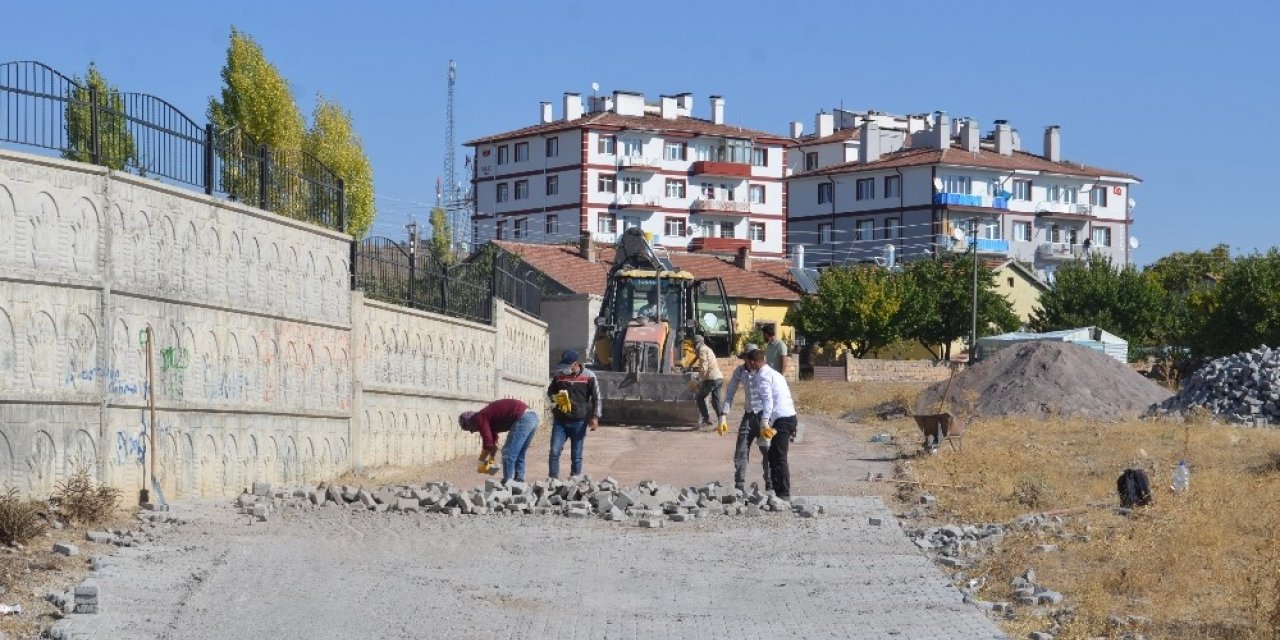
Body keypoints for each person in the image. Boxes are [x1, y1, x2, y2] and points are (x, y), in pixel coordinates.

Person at [745, 348, 799, 500]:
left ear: (753, 362)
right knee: (774, 456)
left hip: (782, 419)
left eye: (748, 362)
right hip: (787, 417)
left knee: (779, 457)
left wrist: (764, 420)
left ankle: (783, 495)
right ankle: (776, 492)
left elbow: (768, 401)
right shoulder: (775, 373)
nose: (748, 366)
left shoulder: (763, 376)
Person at [721, 343, 771, 492]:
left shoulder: (764, 372)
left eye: (750, 358)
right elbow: (730, 392)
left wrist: (769, 420)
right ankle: (739, 485)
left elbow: (772, 396)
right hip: (749, 415)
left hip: (764, 416)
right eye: (746, 359)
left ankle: (770, 484)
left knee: (767, 450)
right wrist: (723, 415)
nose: (748, 362)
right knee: (741, 450)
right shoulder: (740, 371)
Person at [546, 350, 600, 479]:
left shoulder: (589, 376)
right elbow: (550, 392)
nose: (565, 368)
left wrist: (595, 417)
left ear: (576, 364)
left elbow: (597, 398)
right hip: (560, 421)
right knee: (554, 452)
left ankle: (575, 479)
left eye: (567, 365)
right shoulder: (559, 376)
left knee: (576, 454)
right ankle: (553, 480)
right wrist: (558, 399)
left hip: (579, 422)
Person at [458, 398, 538, 485]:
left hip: (522, 417)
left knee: (508, 453)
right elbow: (493, 443)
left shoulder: (479, 418)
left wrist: (481, 461)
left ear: (470, 422)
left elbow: (487, 443)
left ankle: (508, 483)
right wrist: (491, 459)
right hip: (532, 417)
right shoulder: (487, 418)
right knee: (519, 453)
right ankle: (519, 482)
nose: (472, 431)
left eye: (470, 429)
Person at [692, 334, 725, 427]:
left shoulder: (702, 350)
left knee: (699, 397)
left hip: (711, 379)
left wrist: (698, 379)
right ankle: (721, 421)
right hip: (718, 378)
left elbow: (703, 367)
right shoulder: (707, 349)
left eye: (694, 344)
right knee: (715, 401)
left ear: (697, 343)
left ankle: (706, 419)